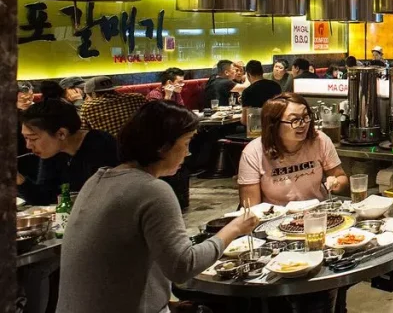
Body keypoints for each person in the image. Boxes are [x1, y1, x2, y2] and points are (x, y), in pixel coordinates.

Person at [56, 101, 259, 313]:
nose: (188, 153)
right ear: (163, 146)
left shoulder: (97, 179)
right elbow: (183, 266)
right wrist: (235, 227)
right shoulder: (151, 190)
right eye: (187, 142)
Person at [238, 93, 348, 206]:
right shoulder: (254, 152)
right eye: (294, 120)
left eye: (306, 116)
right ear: (274, 124)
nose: (303, 124)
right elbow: (251, 208)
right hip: (276, 218)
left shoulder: (319, 140)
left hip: (317, 213)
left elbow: (341, 177)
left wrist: (335, 183)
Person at [17, 97, 119, 206]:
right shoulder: (54, 151)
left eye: (33, 139)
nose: (28, 145)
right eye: (26, 138)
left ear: (61, 134)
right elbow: (43, 197)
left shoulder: (101, 146)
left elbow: (104, 201)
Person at [79, 76, 147, 136]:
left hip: (112, 148)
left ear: (93, 94)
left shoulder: (88, 107)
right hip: (146, 143)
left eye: (87, 96)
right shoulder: (138, 97)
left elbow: (83, 133)